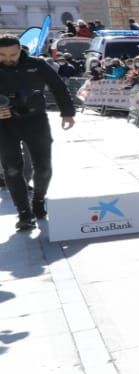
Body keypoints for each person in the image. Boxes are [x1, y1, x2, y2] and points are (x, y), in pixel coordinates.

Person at [0, 35, 76, 229]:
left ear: (20, 50)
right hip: (5, 124)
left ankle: (39, 200)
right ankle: (24, 213)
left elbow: (58, 87)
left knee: (43, 167)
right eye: (2, 55)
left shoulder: (37, 64)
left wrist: (67, 113)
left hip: (35, 120)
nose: (8, 58)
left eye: (12, 54)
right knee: (12, 168)